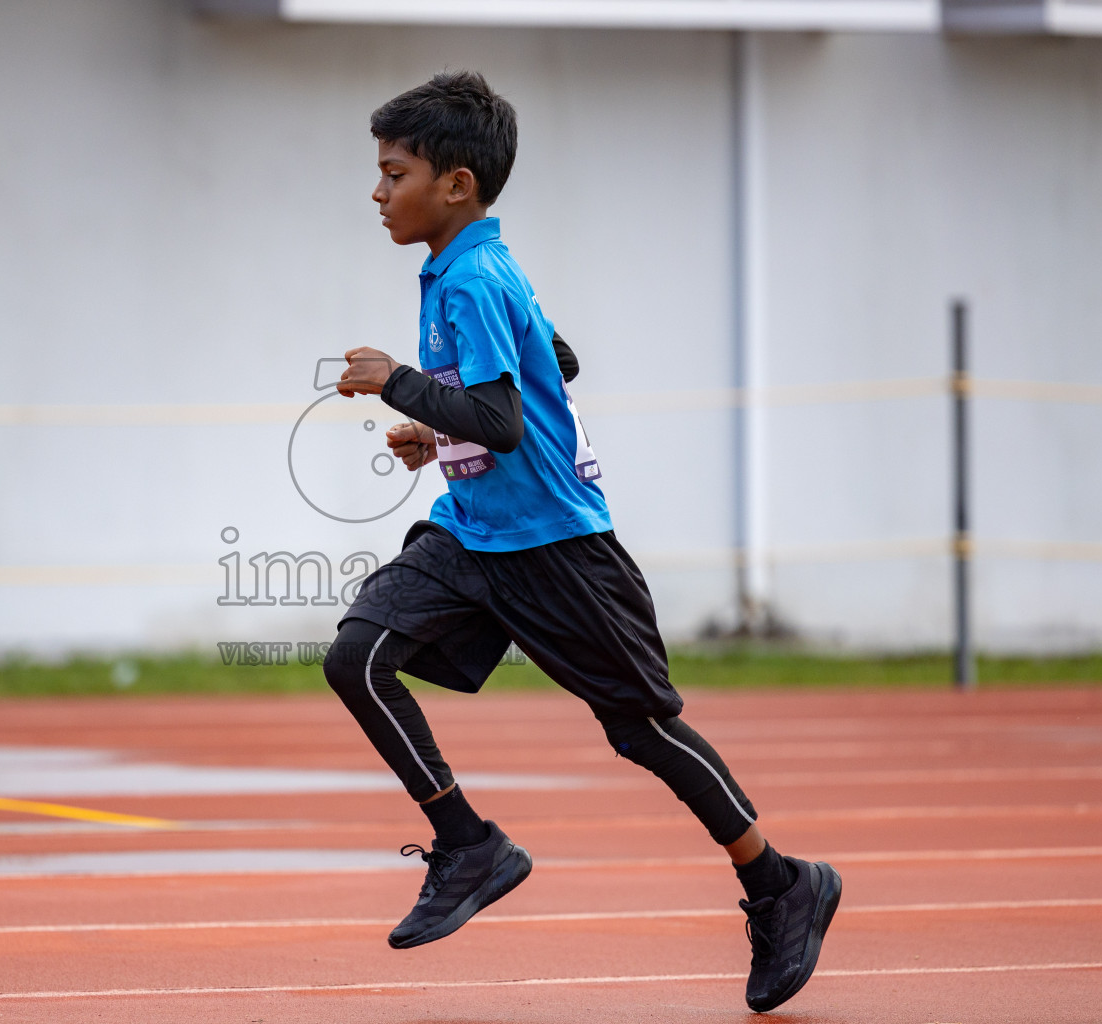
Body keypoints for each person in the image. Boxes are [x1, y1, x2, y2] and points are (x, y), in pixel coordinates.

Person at [324, 70, 841, 1013]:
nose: (377, 191)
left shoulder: (474, 274)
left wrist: (399, 384)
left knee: (641, 731)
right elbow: (553, 363)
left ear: (457, 184)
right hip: (474, 533)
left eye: (393, 172)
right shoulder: (466, 268)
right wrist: (440, 437)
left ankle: (780, 883)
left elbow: (509, 417)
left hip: (560, 547)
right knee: (357, 657)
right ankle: (469, 844)